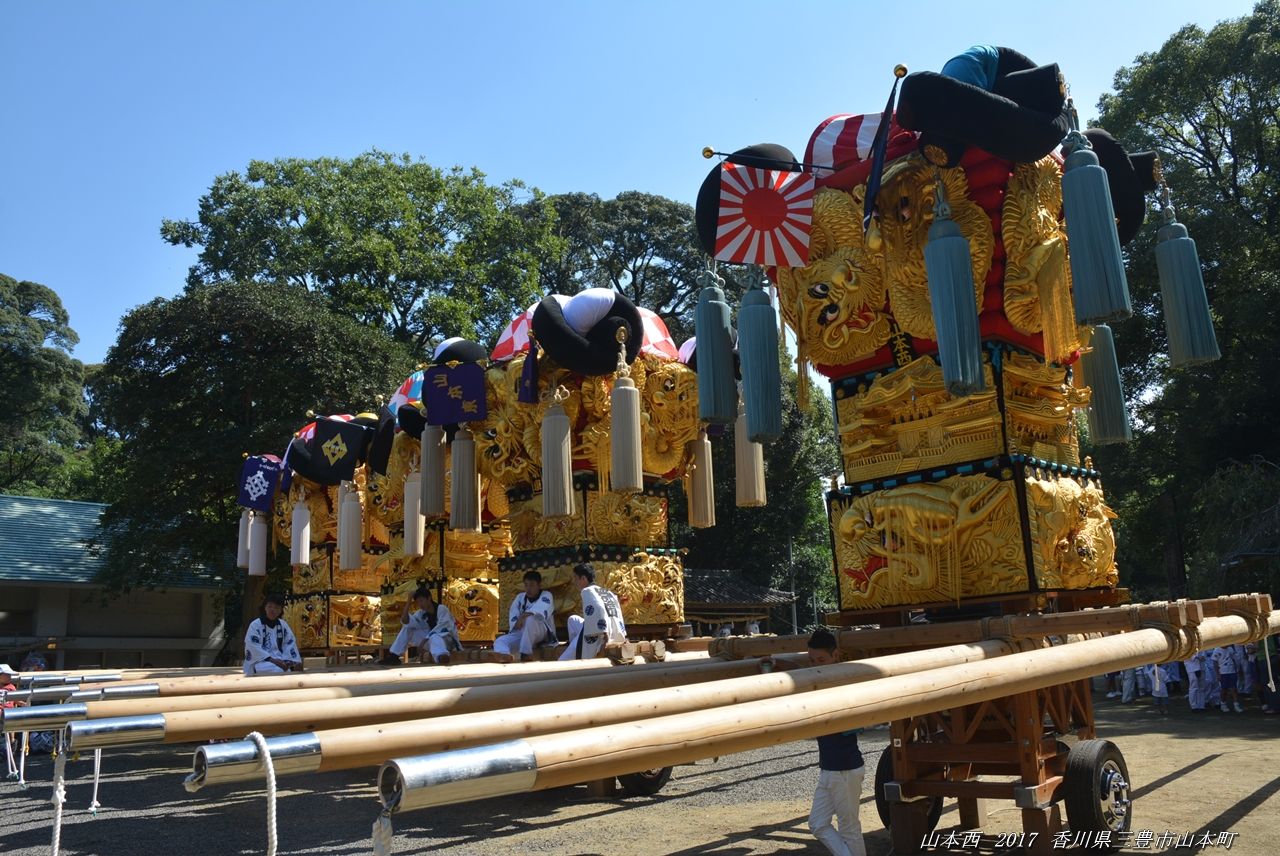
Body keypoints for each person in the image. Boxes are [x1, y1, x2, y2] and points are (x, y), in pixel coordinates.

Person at [559, 563, 626, 660]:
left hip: (598, 635)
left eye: (576, 578)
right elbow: (617, 614)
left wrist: (605, 637)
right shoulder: (608, 592)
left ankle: (576, 647)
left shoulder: (587, 591)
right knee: (573, 619)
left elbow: (598, 610)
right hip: (614, 632)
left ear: (583, 578)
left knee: (562, 661)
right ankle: (574, 642)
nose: (574, 582)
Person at [380, 585, 460, 666]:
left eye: (421, 600)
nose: (420, 604)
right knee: (408, 627)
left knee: (435, 636)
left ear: (429, 598)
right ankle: (394, 656)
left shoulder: (442, 609)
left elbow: (442, 628)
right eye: (418, 602)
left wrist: (424, 640)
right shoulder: (421, 613)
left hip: (447, 642)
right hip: (431, 642)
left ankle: (442, 657)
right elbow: (406, 621)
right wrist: (408, 601)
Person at [493, 571, 556, 662]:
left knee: (530, 620)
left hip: (542, 634)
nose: (528, 588)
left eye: (532, 585)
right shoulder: (520, 598)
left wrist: (522, 617)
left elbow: (539, 612)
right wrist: (518, 621)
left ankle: (525, 653)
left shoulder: (546, 595)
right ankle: (504, 655)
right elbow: (515, 620)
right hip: (523, 633)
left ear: (539, 585)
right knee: (500, 641)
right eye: (526, 585)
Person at [243, 594, 302, 676]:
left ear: (281, 610)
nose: (272, 610)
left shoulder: (283, 625)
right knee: (278, 670)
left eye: (276, 608)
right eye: (270, 606)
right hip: (260, 661)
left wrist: (289, 662)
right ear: (265, 607)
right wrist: (272, 660)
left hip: (280, 661)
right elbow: (252, 646)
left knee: (289, 670)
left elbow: (289, 644)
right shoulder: (255, 625)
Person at [1213, 644, 1244, 712]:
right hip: (1223, 672)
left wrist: (1236, 669)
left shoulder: (1230, 649)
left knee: (1234, 689)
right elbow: (1215, 663)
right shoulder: (1216, 650)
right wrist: (1218, 674)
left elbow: (1234, 660)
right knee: (1224, 690)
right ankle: (1223, 704)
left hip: (1232, 671)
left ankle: (1236, 705)